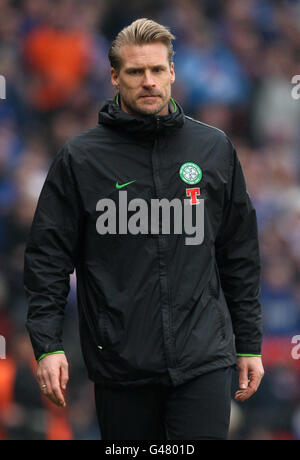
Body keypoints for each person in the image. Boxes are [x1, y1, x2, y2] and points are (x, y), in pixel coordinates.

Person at [24, 18, 264, 440]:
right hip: (121, 366)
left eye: (157, 70)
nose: (148, 81)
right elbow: (47, 259)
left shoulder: (213, 149)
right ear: (115, 77)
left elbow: (238, 254)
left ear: (173, 71)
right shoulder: (80, 160)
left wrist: (249, 342)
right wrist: (48, 345)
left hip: (203, 360)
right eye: (136, 72)